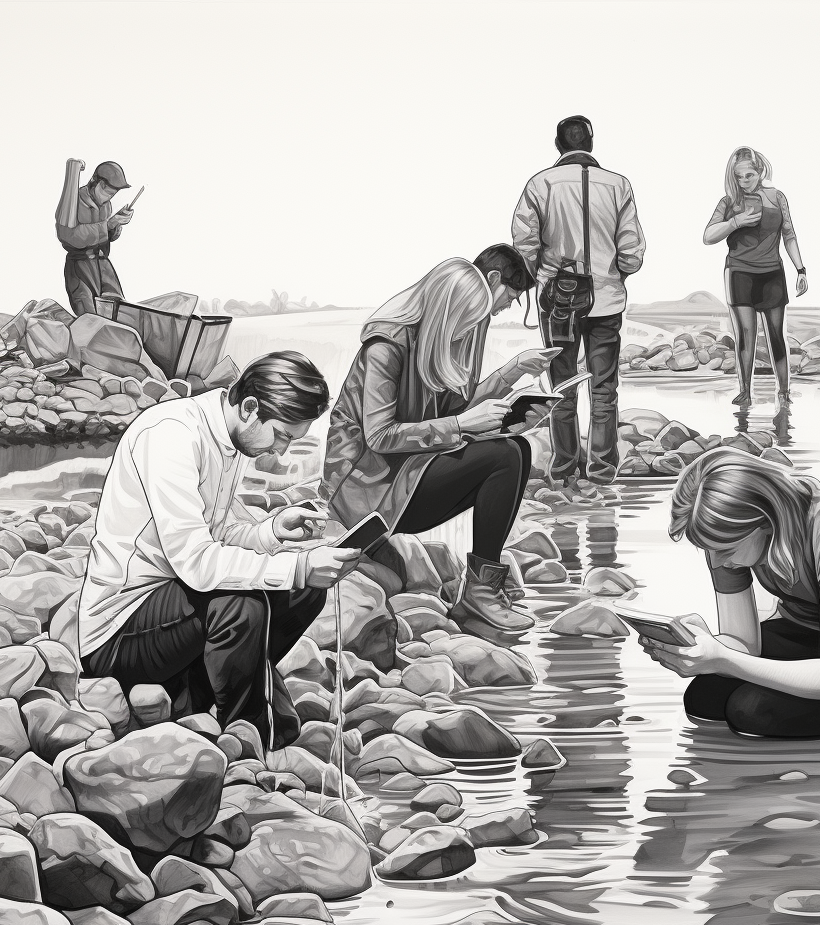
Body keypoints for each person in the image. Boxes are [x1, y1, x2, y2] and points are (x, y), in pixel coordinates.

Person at [78, 352, 361, 751]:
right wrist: (297, 566)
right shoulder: (171, 435)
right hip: (119, 630)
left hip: (173, 612)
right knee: (241, 604)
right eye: (281, 436)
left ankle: (197, 695)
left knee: (304, 592)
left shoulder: (228, 436)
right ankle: (248, 741)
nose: (279, 454)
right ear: (249, 408)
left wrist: (273, 531)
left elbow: (220, 532)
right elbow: (196, 562)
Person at [321, 246, 558, 637]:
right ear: (444, 315)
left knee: (516, 448)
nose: (469, 336)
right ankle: (480, 596)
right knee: (505, 456)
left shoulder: (434, 343)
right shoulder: (387, 346)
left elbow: (455, 410)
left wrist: (511, 380)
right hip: (367, 492)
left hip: (406, 476)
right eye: (466, 325)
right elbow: (380, 436)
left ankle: (482, 589)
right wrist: (464, 425)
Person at [639, 447, 820, 739]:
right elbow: (743, 643)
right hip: (804, 632)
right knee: (704, 699)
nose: (718, 560)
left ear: (764, 523)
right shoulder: (723, 540)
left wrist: (723, 659)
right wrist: (705, 646)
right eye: (709, 549)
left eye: (726, 550)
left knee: (751, 711)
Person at [512, 115, 645, 485]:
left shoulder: (540, 183)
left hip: (557, 302)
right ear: (591, 143)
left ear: (558, 146)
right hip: (606, 300)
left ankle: (564, 467)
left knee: (561, 385)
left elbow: (524, 242)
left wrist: (545, 276)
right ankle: (603, 470)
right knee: (604, 387)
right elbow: (632, 250)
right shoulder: (619, 185)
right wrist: (614, 273)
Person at [704, 147, 807, 406]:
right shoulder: (729, 202)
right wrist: (735, 222)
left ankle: (783, 392)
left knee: (776, 335)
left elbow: (789, 235)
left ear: (760, 172)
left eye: (749, 176)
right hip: (739, 273)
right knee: (745, 335)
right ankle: (745, 391)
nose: (743, 182)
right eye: (738, 177)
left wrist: (801, 269)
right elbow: (708, 236)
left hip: (772, 272)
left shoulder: (777, 197)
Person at [57, 160, 135, 315]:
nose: (108, 198)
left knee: (119, 312)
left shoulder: (106, 206)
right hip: (80, 267)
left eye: (113, 194)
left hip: (103, 266)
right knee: (89, 317)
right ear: (96, 183)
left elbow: (107, 236)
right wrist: (107, 225)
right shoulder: (73, 202)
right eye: (107, 192)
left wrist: (116, 226)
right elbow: (71, 236)